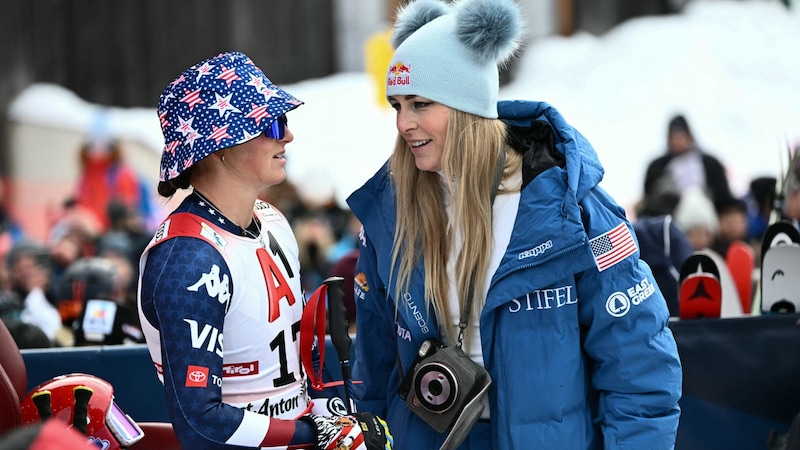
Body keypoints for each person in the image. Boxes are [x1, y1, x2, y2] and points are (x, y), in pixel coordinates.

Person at [346, 0, 682, 448]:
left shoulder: (571, 210)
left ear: (467, 106)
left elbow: (639, 368)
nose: (404, 123)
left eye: (421, 103)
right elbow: (375, 370)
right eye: (398, 105)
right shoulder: (391, 214)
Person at [137, 51, 392, 450]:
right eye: (272, 123)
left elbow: (282, 380)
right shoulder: (188, 257)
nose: (287, 135)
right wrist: (316, 433)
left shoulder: (270, 218)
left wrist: (329, 418)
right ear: (220, 145)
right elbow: (200, 423)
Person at [642, 113, 732, 214]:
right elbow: (648, 198)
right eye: (674, 137)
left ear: (689, 137)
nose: (678, 141)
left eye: (681, 136)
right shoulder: (656, 167)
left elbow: (724, 196)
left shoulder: (710, 163)